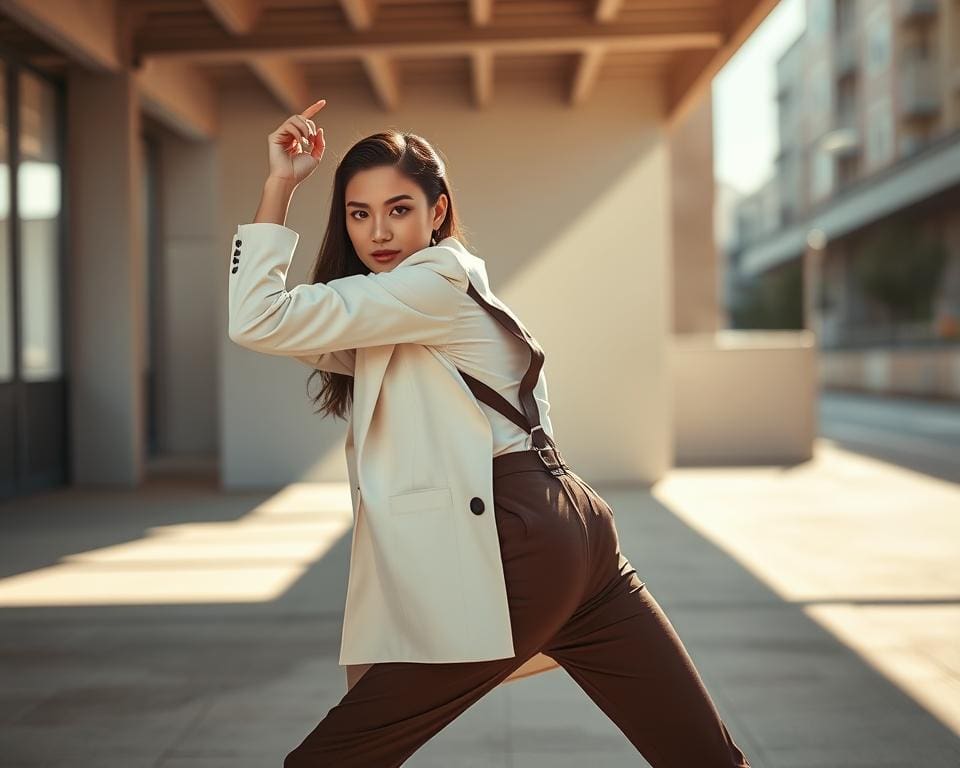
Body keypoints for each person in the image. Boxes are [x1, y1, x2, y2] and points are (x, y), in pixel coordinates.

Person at [227, 99, 752, 768]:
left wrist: (279, 185)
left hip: (519, 542)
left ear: (437, 212)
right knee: (700, 756)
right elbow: (296, 332)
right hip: (571, 528)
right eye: (360, 214)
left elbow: (258, 319)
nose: (378, 232)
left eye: (399, 209)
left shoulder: (430, 284)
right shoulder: (407, 304)